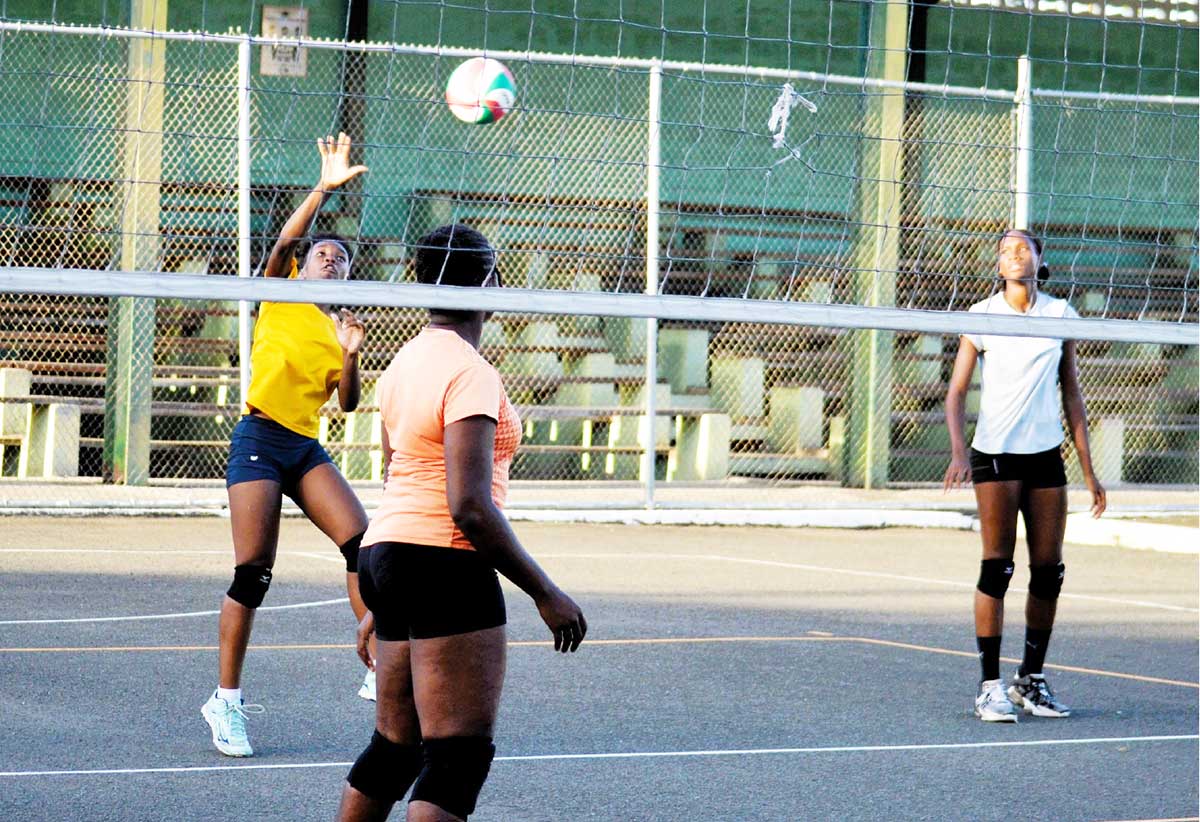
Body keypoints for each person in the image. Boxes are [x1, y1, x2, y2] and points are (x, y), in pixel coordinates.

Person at [336, 224, 587, 822]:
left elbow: (399, 470)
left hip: (389, 553)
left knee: (395, 748)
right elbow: (469, 505)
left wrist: (386, 596)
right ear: (490, 282)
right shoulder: (470, 371)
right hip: (443, 558)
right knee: (456, 756)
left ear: (422, 282)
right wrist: (545, 593)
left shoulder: (402, 364)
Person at [202, 133, 376, 758]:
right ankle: (226, 702)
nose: (330, 258)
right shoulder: (282, 289)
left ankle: (377, 662)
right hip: (259, 437)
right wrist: (324, 189)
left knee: (364, 546)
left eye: (341, 257)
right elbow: (281, 243)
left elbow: (348, 404)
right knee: (254, 572)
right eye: (322, 251)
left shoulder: (340, 329)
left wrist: (353, 356)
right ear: (306, 263)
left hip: (303, 445)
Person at [944, 228, 1106, 723]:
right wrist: (957, 451)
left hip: (1044, 456)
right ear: (999, 266)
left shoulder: (1061, 315)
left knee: (1049, 572)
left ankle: (1029, 681)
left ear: (1039, 259)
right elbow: (956, 393)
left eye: (1023, 249)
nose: (1014, 256)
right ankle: (989, 685)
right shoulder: (982, 315)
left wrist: (1088, 469)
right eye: (1006, 251)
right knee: (997, 568)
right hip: (995, 454)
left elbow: (1072, 394)